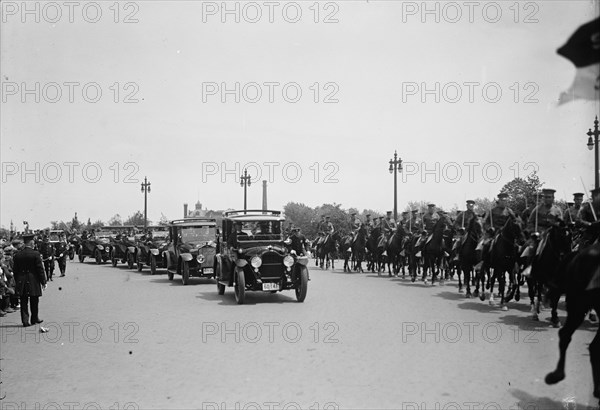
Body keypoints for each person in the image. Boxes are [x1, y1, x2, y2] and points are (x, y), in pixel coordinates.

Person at [13, 233, 47, 327]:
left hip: (21, 279)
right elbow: (40, 269)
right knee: (34, 299)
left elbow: (15, 270)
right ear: (31, 242)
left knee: (23, 300)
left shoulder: (18, 255)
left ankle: (25, 321)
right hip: (33, 279)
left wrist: (17, 280)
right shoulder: (35, 254)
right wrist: (43, 281)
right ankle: (34, 318)